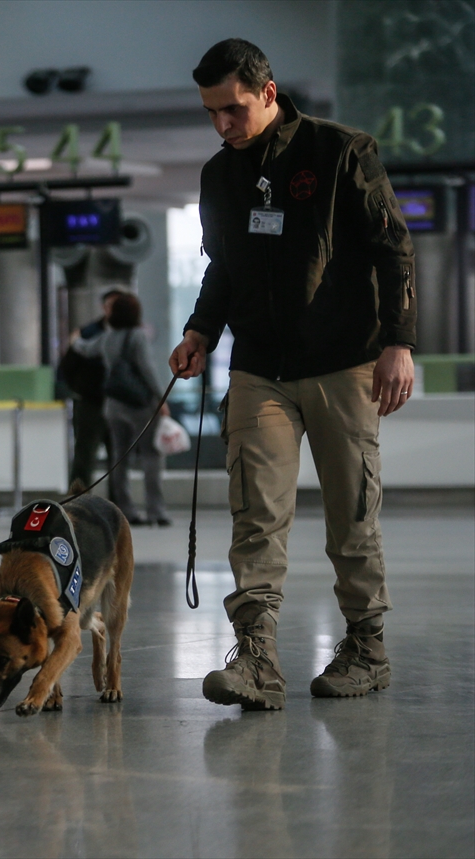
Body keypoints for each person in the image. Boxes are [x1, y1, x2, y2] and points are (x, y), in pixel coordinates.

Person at [169, 39, 415, 710]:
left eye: (233, 109)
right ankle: (256, 660)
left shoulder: (341, 152)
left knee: (351, 515)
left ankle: (367, 647)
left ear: (268, 93)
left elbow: (393, 247)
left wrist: (399, 343)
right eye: (211, 113)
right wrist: (199, 330)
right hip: (259, 367)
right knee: (255, 514)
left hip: (343, 362)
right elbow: (222, 268)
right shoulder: (220, 177)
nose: (222, 125)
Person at [76, 292, 170, 526]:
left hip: (114, 406)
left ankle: (125, 510)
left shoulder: (107, 337)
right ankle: (155, 511)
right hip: (140, 406)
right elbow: (147, 369)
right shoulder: (137, 336)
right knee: (151, 456)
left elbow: (85, 349)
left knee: (119, 458)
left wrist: (75, 339)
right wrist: (161, 397)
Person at [58, 289, 124, 488]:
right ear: (104, 308)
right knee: (84, 456)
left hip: (120, 403)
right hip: (91, 404)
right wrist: (81, 389)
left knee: (120, 458)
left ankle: (120, 507)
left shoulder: (130, 334)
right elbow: (67, 367)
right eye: (111, 305)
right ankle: (78, 501)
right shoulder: (87, 333)